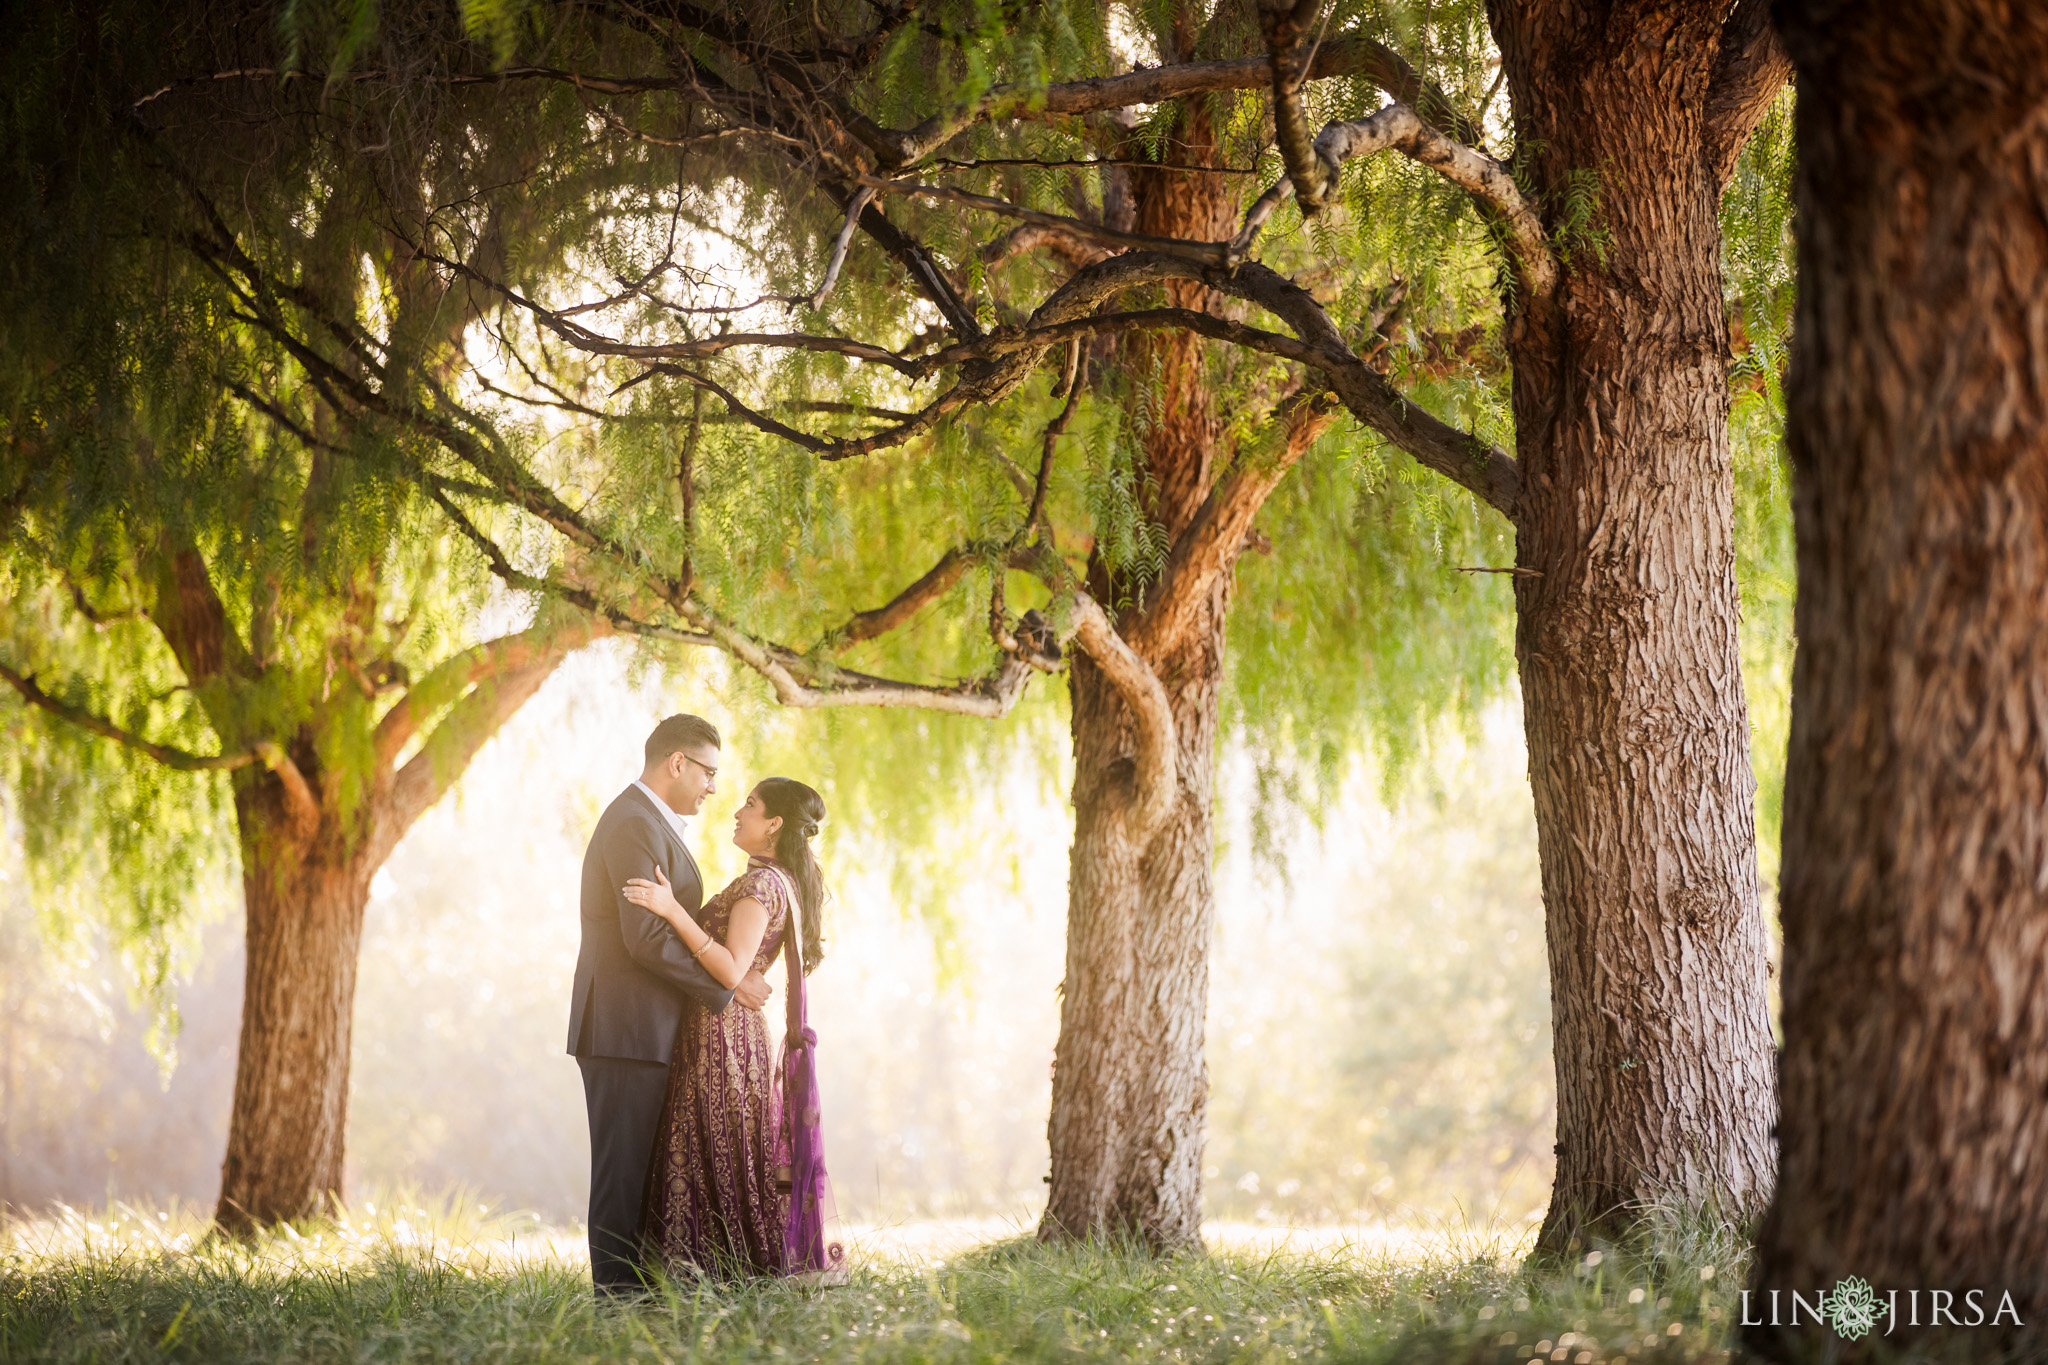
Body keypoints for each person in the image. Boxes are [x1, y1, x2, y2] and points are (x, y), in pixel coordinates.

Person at [566, 714, 773, 1298]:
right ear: (676, 763)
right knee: (622, 1173)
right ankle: (617, 1303)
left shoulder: (651, 822)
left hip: (644, 1028)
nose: (713, 786)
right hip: (624, 1028)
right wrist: (725, 986)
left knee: (638, 1173)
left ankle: (643, 1295)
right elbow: (646, 938)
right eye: (708, 772)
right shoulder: (634, 823)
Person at [622, 775, 847, 1284]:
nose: (737, 811)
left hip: (721, 1031)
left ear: (774, 824)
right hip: (735, 1030)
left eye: (749, 805)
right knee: (728, 1148)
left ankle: (714, 1277)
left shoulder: (761, 884)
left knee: (706, 1144)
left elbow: (729, 967)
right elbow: (738, 969)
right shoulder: (780, 880)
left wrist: (670, 908)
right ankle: (725, 1274)